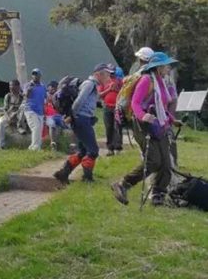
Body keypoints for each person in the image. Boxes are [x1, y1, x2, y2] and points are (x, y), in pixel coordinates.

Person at [111, 52, 179, 207]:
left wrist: (172, 120)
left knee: (166, 165)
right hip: (143, 125)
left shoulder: (161, 81)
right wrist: (143, 116)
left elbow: (160, 106)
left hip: (159, 124)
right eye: (166, 65)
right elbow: (135, 103)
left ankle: (158, 194)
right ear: (158, 67)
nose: (169, 68)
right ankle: (123, 184)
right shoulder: (146, 80)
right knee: (154, 161)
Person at [53, 63, 112, 184]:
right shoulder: (89, 84)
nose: (108, 77)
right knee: (93, 150)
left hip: (83, 119)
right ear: (98, 74)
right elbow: (79, 101)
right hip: (81, 119)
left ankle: (63, 173)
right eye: (106, 74)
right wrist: (72, 116)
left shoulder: (93, 85)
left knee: (83, 150)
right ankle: (87, 178)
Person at [99, 66, 123, 155]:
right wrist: (109, 89)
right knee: (109, 127)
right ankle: (110, 148)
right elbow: (100, 95)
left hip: (117, 107)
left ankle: (118, 148)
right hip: (107, 107)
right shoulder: (103, 82)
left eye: (112, 72)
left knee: (117, 126)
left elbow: (123, 92)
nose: (111, 74)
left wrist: (116, 89)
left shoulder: (119, 81)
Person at [23, 69, 46, 150]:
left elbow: (43, 100)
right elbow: (26, 97)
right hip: (30, 109)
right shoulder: (28, 85)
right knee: (36, 127)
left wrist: (44, 112)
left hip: (40, 111)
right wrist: (29, 90)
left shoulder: (43, 86)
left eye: (36, 74)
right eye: (33, 74)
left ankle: (35, 147)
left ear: (40, 76)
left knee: (39, 129)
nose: (35, 76)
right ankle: (35, 147)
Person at [0, 80, 23, 149]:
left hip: (19, 116)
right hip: (9, 115)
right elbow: (5, 109)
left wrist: (15, 114)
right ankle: (1, 145)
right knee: (0, 122)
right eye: (10, 85)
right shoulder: (8, 96)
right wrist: (8, 117)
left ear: (18, 87)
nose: (11, 87)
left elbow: (22, 109)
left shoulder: (21, 97)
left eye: (13, 85)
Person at [43, 81, 67, 151]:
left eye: (55, 88)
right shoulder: (45, 96)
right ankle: (53, 143)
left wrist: (55, 99)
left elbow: (61, 109)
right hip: (49, 117)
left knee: (68, 125)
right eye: (51, 87)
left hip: (58, 116)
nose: (53, 89)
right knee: (51, 124)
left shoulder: (59, 97)